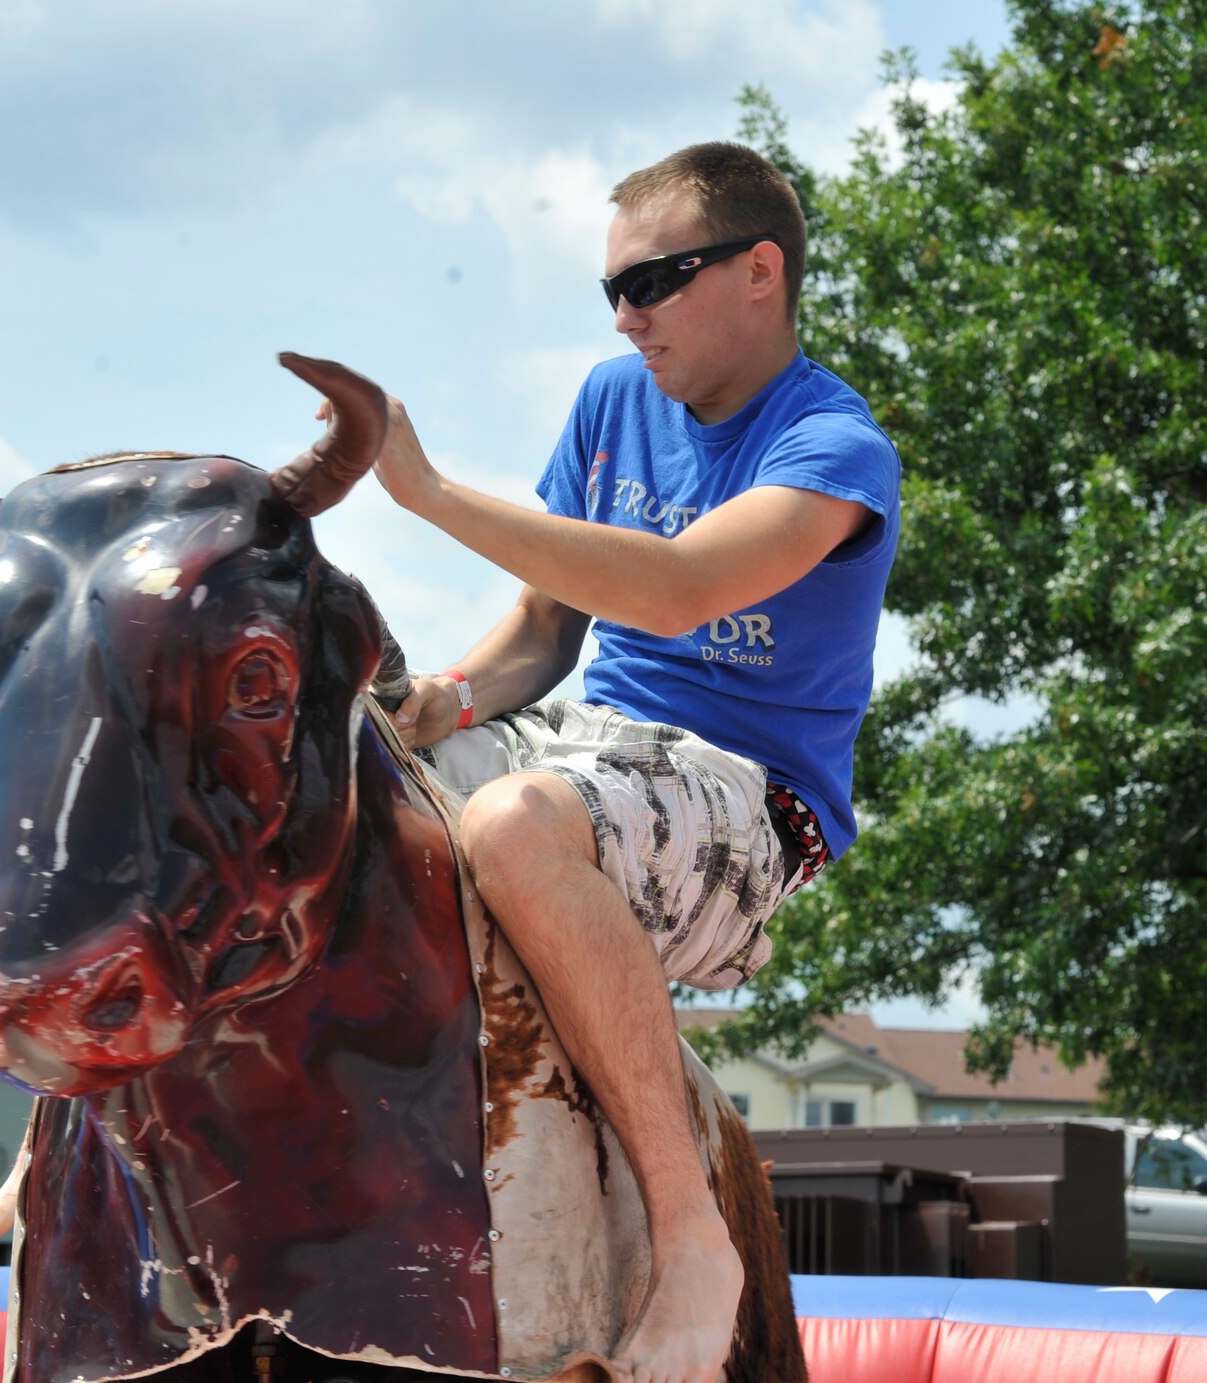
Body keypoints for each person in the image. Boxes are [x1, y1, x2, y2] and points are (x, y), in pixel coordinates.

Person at [370, 141, 901, 1383]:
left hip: (746, 801)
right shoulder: (614, 400)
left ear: (759, 272)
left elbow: (667, 594)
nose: (626, 314)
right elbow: (545, 629)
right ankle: (95, 1122)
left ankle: (691, 1238)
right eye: (610, 289)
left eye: (655, 279)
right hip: (580, 750)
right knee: (315, 778)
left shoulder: (833, 445)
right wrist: (438, 700)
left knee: (510, 829)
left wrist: (429, 492)